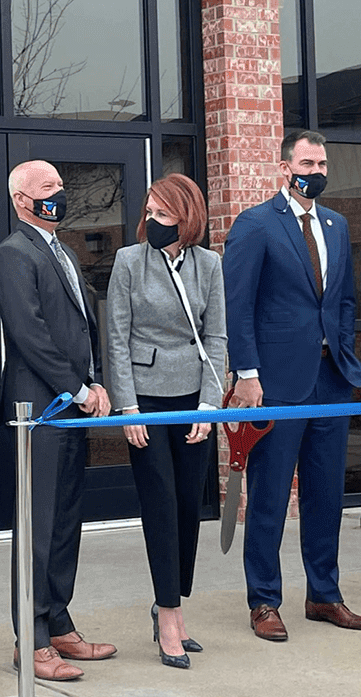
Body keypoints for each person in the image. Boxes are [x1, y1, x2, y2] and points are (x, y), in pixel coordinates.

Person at [223, 129, 361, 642]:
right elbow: (237, 305)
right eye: (306, 163)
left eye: (322, 163)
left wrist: (346, 352)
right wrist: (247, 375)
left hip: (331, 381)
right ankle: (264, 601)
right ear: (284, 169)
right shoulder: (256, 224)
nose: (316, 172)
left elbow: (342, 302)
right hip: (275, 385)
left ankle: (324, 595)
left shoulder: (336, 223)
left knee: (326, 495)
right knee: (268, 498)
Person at [0, 159, 116, 682]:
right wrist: (78, 388)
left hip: (73, 408)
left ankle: (59, 622)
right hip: (39, 411)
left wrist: (97, 380)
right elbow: (30, 333)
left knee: (65, 522)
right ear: (21, 199)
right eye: (48, 188)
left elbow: (83, 325)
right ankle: (32, 639)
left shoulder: (63, 251)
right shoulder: (13, 253)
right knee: (37, 526)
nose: (59, 194)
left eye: (61, 186)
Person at [106, 173, 226, 668]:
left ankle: (170, 599)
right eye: (149, 211)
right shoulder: (128, 262)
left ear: (187, 217)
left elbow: (217, 337)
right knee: (160, 503)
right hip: (146, 401)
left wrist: (210, 405)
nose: (151, 220)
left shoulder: (209, 265)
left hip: (193, 401)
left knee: (187, 508)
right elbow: (116, 337)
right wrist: (127, 407)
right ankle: (171, 616)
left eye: (161, 213)